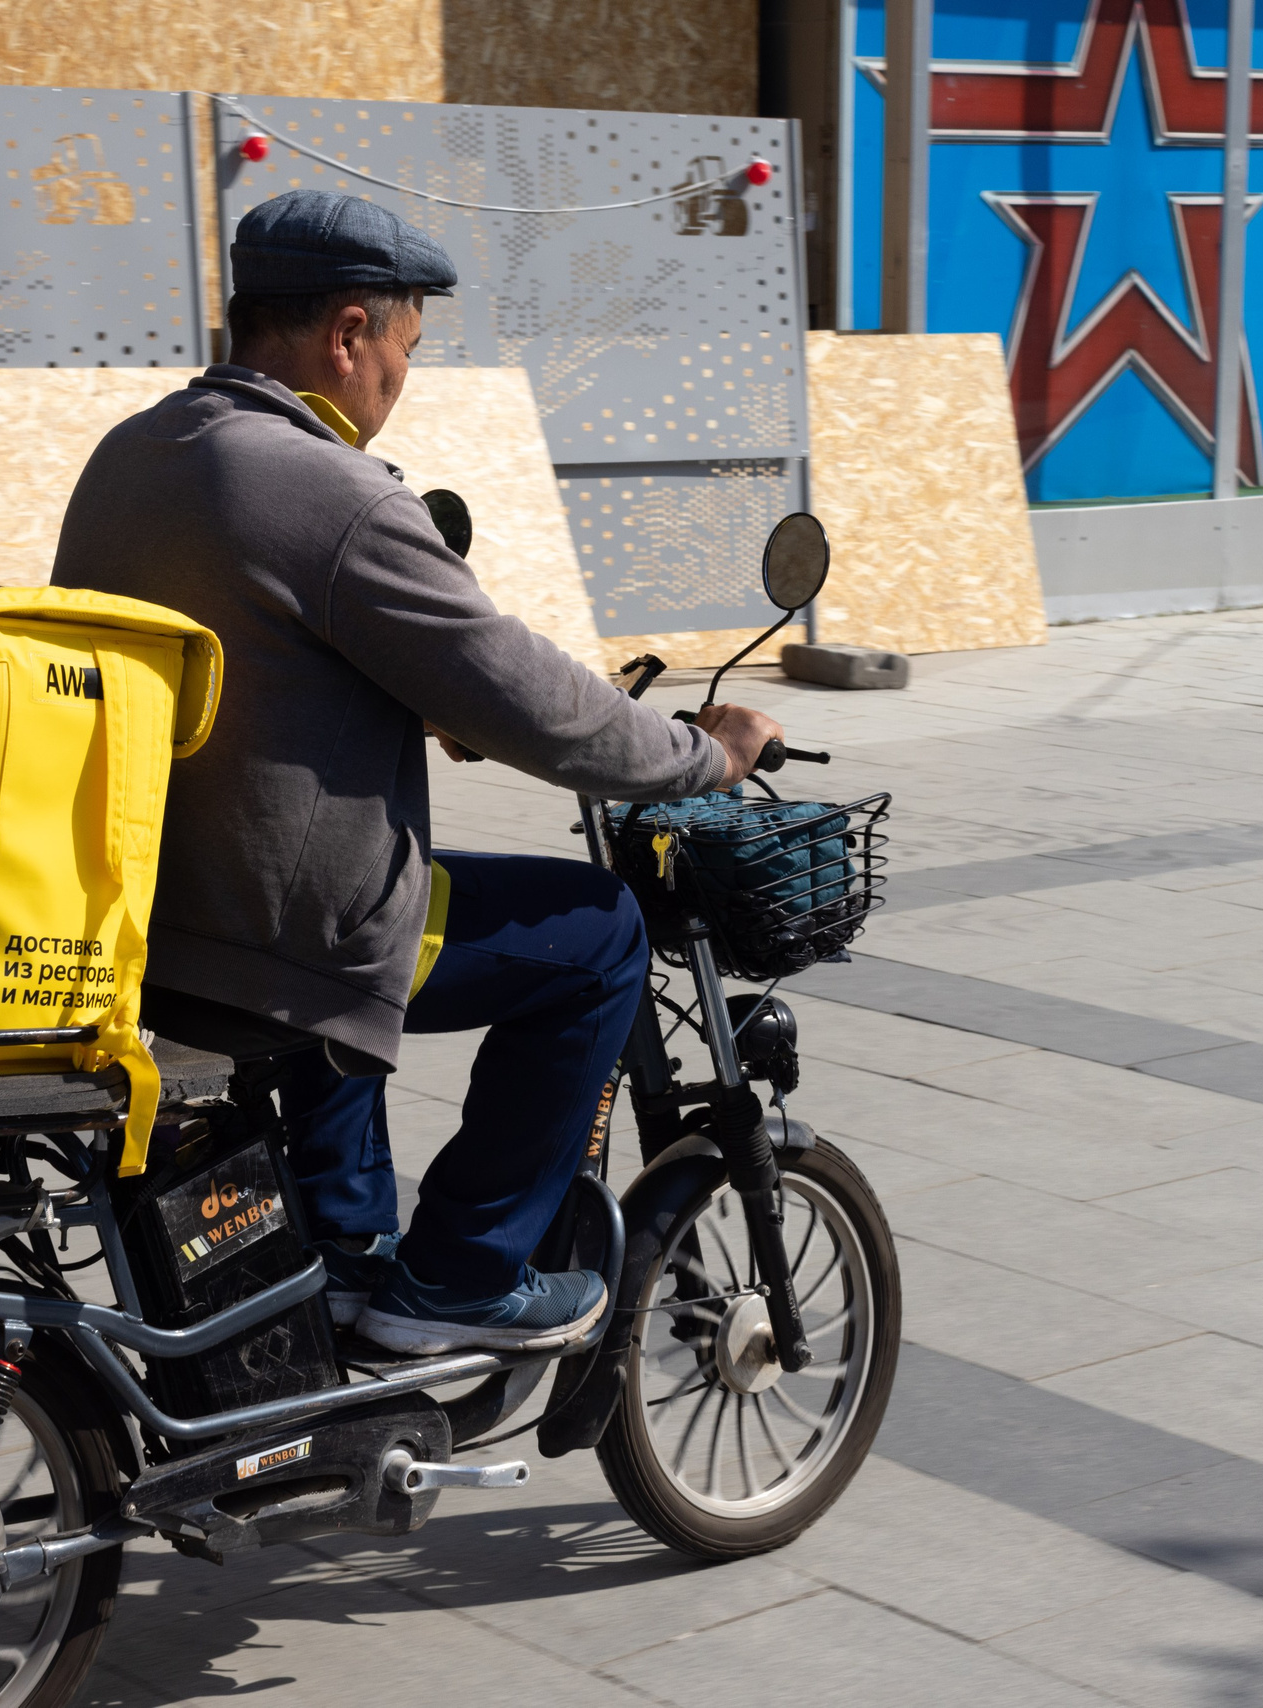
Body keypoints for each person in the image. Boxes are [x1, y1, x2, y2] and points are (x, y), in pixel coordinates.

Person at [51, 190, 785, 1355]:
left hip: (143, 914)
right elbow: (535, 700)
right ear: (348, 332)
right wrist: (707, 753)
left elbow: (249, 658)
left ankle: (340, 1257)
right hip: (270, 937)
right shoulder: (330, 492)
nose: (400, 380)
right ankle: (458, 1277)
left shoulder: (134, 454)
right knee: (594, 934)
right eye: (402, 349)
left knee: (390, 882)